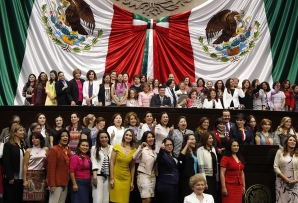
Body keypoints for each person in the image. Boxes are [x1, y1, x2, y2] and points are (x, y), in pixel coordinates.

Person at [110, 129, 137, 203]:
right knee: (114, 200)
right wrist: (111, 178)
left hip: (126, 179)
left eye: (130, 135)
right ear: (124, 136)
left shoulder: (134, 150)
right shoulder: (116, 147)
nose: (128, 137)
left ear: (132, 137)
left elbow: (132, 166)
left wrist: (132, 182)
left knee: (124, 201)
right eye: (127, 135)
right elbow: (112, 162)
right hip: (116, 177)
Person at [3, 124, 27, 203]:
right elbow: (6, 162)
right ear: (14, 132)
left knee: (20, 199)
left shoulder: (24, 144)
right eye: (20, 130)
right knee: (12, 199)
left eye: (23, 130)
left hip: (21, 178)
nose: (23, 132)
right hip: (13, 178)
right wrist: (10, 177)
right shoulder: (8, 145)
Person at [47, 129, 71, 203]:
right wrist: (52, 184)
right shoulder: (54, 150)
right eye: (63, 136)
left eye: (66, 136)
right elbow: (51, 168)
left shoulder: (68, 151)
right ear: (58, 138)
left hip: (65, 182)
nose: (65, 137)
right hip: (56, 183)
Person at [23, 132, 48, 202]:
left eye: (36, 138)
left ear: (40, 139)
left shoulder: (45, 149)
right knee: (30, 199)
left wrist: (47, 177)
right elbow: (25, 166)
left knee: (41, 199)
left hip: (41, 176)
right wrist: (25, 180)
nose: (34, 140)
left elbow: (47, 165)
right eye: (32, 138)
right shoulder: (28, 150)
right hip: (30, 176)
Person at [133, 131, 157, 203]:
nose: (151, 138)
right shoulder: (142, 149)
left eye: (152, 137)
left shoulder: (154, 151)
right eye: (149, 137)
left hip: (152, 177)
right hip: (143, 175)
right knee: (145, 199)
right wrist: (140, 147)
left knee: (149, 199)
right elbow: (134, 157)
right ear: (145, 139)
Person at [274, 135, 298, 203]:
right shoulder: (280, 152)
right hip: (281, 182)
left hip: (295, 182)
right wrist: (285, 179)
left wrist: (296, 180)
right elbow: (275, 167)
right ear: (286, 142)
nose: (292, 142)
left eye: (294, 141)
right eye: (290, 140)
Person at [220, 139, 245, 203]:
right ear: (230, 147)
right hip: (229, 186)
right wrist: (223, 187)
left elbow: (242, 173)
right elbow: (222, 173)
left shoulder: (240, 157)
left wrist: (243, 186)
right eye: (234, 146)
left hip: (239, 186)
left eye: (237, 146)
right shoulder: (225, 158)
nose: (236, 147)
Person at [91, 130, 112, 203]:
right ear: (98, 139)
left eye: (106, 137)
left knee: (106, 199)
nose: (104, 139)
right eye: (101, 137)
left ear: (108, 138)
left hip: (108, 177)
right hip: (98, 176)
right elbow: (94, 163)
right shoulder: (94, 148)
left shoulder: (112, 148)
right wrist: (94, 178)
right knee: (98, 199)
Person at [197, 132, 219, 203]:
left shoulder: (213, 149)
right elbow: (201, 166)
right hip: (206, 178)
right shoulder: (200, 150)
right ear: (205, 139)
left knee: (213, 197)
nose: (212, 139)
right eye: (210, 138)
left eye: (212, 138)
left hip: (214, 178)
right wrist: (204, 182)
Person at [156, 138, 179, 203]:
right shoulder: (162, 154)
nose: (169, 146)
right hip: (166, 184)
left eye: (171, 144)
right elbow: (159, 160)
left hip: (174, 183)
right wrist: (161, 149)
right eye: (167, 145)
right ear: (164, 145)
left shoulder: (173, 155)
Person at [178, 134, 199, 202]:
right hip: (186, 180)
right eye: (192, 139)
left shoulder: (194, 152)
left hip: (194, 179)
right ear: (187, 141)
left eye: (194, 139)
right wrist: (187, 145)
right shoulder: (184, 152)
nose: (194, 141)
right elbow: (180, 158)